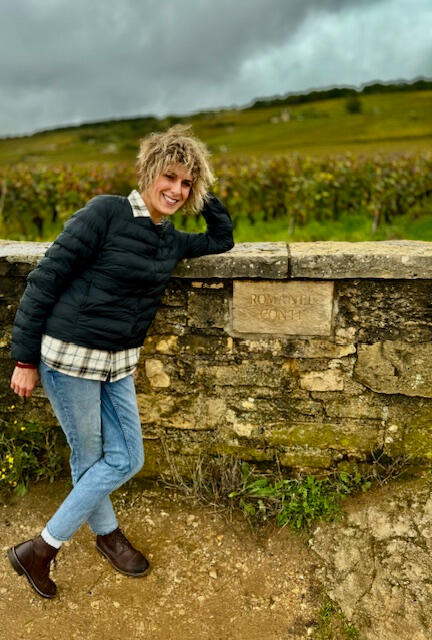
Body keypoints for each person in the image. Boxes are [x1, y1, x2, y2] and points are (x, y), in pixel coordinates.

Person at [7, 124, 235, 599]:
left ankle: (40, 548)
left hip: (118, 364)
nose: (176, 190)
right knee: (90, 457)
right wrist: (24, 359)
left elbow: (222, 239)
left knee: (128, 457)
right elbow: (45, 280)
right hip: (69, 359)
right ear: (149, 172)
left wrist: (204, 192)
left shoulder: (171, 239)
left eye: (187, 183)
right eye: (169, 177)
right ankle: (104, 537)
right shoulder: (105, 212)